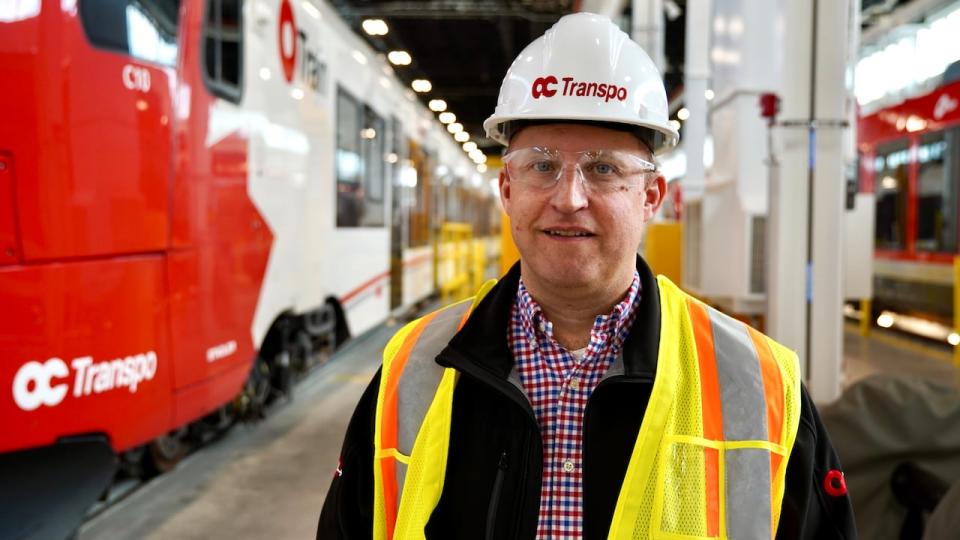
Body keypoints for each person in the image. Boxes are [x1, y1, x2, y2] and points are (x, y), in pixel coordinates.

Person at [318, 12, 855, 539]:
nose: (569, 199)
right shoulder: (410, 371)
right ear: (508, 191)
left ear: (650, 197)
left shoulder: (762, 387)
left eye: (603, 168)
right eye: (542, 166)